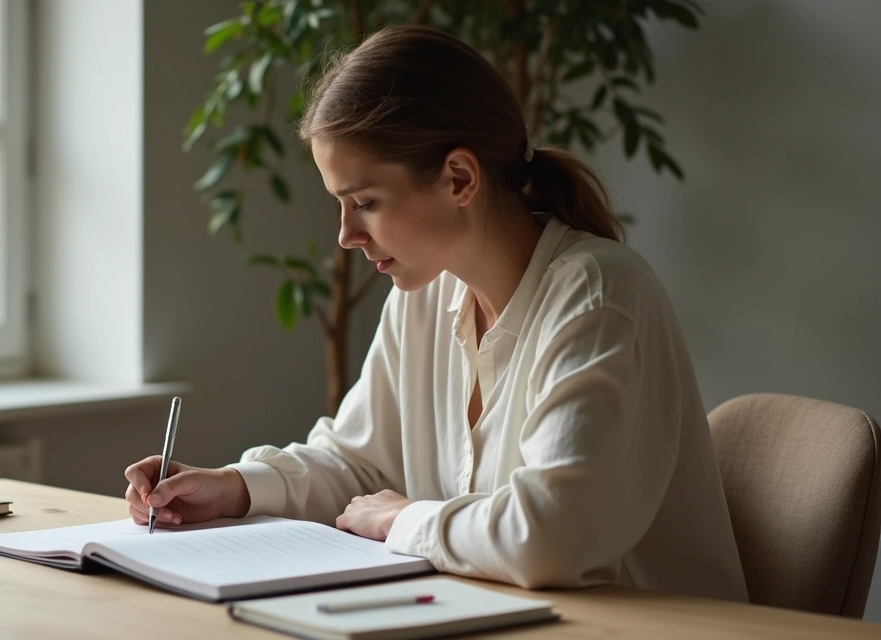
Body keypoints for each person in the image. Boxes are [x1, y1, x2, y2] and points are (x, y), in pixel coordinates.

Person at [124, 25, 748, 602]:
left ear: (459, 178)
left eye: (365, 202)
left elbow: (551, 535)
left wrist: (403, 519)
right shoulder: (421, 297)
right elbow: (359, 463)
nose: (345, 235)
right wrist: (233, 487)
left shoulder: (596, 294)